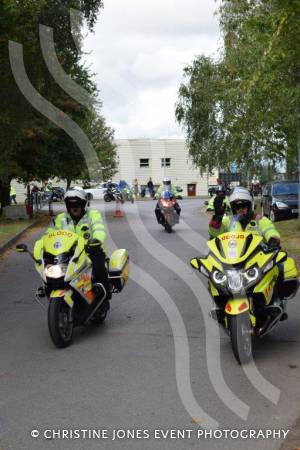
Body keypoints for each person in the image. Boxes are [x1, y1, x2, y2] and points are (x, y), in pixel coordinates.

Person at [48, 189, 110, 300]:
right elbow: (49, 235)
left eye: (77, 204)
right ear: (67, 205)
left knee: (99, 267)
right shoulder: (61, 218)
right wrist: (43, 246)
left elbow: (99, 229)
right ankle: (50, 289)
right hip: (67, 251)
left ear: (83, 204)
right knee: (51, 266)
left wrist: (96, 240)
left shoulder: (93, 215)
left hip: (90, 250)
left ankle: (103, 297)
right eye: (71, 204)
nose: (74, 207)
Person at [208, 188, 280, 246]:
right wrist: (217, 217)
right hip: (232, 259)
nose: (240, 209)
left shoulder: (261, 220)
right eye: (237, 207)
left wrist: (273, 239)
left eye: (243, 206)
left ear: (250, 206)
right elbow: (214, 233)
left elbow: (270, 231)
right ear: (233, 208)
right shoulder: (229, 220)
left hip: (257, 259)